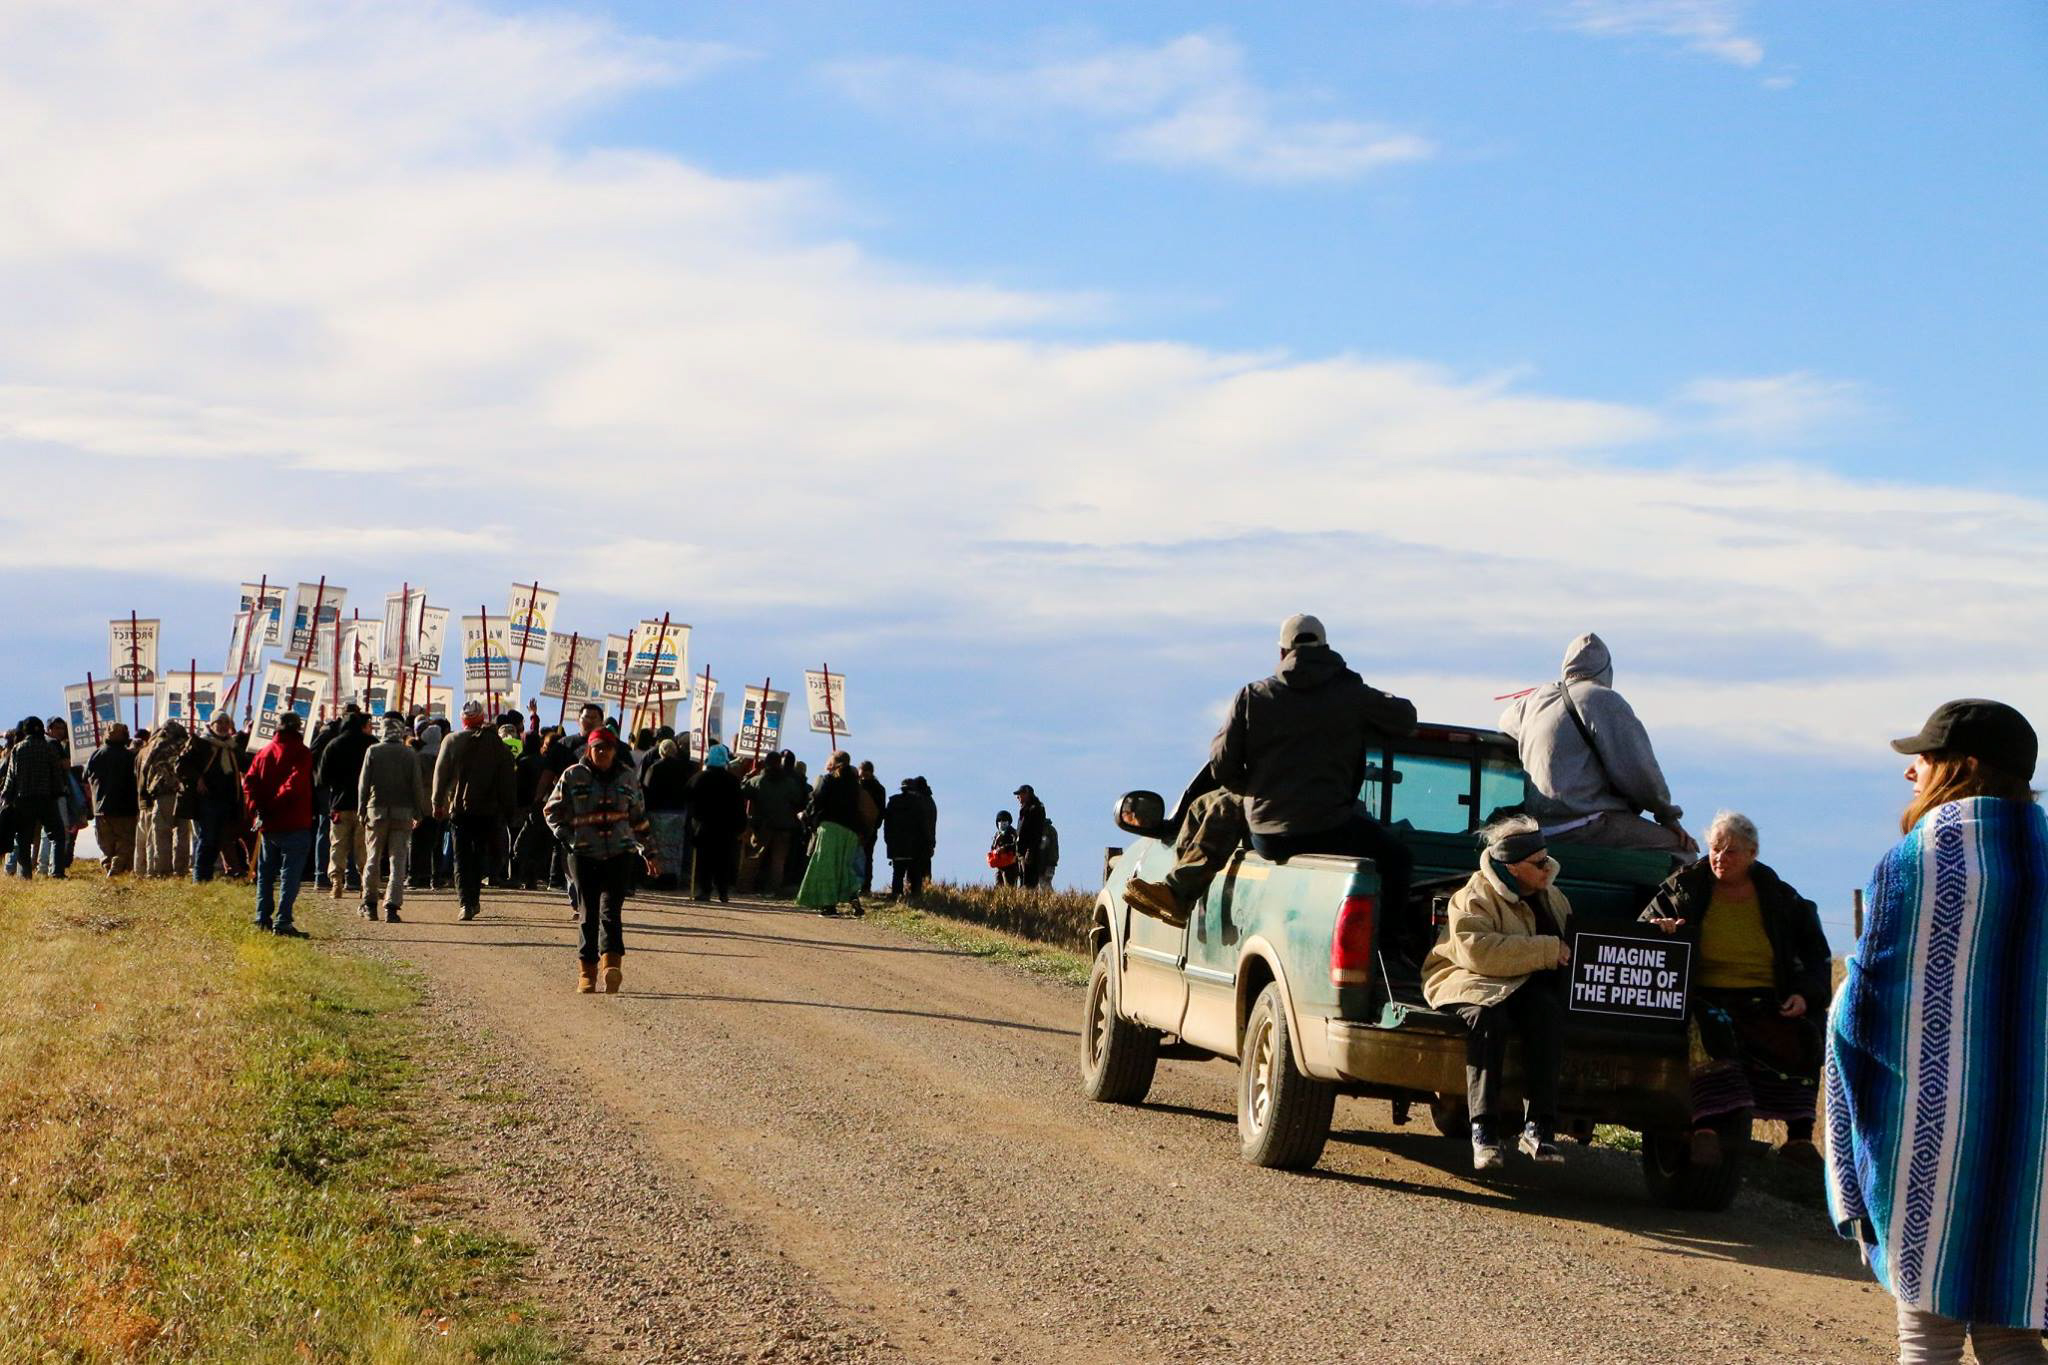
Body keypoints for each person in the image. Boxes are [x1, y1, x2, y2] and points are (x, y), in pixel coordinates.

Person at [1826, 700, 2048, 1364]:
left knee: (1927, 1335)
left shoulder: (1914, 864)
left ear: (1966, 766)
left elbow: (1861, 1015)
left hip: (1931, 1144)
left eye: (1922, 757)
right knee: (2015, 1330)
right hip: (2036, 1149)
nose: (1911, 773)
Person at [1142, 614, 1422, 951]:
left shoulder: (1253, 695)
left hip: (1268, 838)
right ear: (1326, 647)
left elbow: (1221, 765)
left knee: (1215, 805)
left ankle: (1178, 895)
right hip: (1329, 830)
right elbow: (1406, 719)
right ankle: (1388, 945)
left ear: (1281, 653)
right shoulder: (1352, 694)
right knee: (1398, 858)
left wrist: (1255, 792)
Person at [1642, 811, 1831, 1168]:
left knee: (1806, 1031)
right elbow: (1642, 928)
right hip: (1704, 995)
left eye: (1730, 851)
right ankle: (1708, 1130)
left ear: (1752, 853)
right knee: (1709, 1028)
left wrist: (1804, 995)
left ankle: (1799, 1137)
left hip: (1765, 998)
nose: (1719, 858)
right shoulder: (1685, 888)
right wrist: (1660, 927)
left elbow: (1816, 956)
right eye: (1715, 849)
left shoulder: (1782, 899)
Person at [1421, 814, 1571, 1172]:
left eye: (1547, 858)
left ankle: (1539, 1127)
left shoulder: (1553, 896)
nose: (1548, 867)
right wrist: (1548, 951)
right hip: (1468, 979)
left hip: (1524, 984)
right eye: (1539, 863)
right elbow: (1478, 951)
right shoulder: (1473, 897)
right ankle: (1483, 1132)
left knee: (1548, 1014)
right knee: (1488, 1019)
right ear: (1514, 867)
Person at [1500, 633, 1694, 854]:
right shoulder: (1603, 699)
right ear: (1607, 671)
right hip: (1588, 824)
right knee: (1681, 851)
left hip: (1540, 830)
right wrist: (1668, 816)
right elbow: (1640, 772)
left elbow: (1505, 720)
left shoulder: (1535, 700)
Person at [544, 728, 657, 994]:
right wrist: (568, 837)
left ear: (615, 751)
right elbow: (551, 810)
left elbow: (638, 818)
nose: (602, 753)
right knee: (588, 913)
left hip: (620, 854)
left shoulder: (628, 778)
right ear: (589, 750)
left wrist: (648, 851)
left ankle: (611, 966)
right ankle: (587, 972)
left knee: (611, 912)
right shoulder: (573, 776)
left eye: (607, 748)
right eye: (598, 748)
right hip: (583, 854)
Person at [433, 700, 517, 921]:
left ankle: (465, 903)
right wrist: (509, 808)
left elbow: (440, 775)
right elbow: (507, 779)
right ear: (482, 718)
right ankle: (474, 899)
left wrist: (437, 802)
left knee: (460, 857)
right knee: (478, 855)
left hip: (459, 809)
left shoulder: (451, 740)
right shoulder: (497, 744)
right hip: (488, 810)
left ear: (463, 720)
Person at [242, 712, 315, 936]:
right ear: (298, 728)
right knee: (289, 875)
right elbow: (295, 784)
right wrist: (272, 805)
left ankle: (262, 917)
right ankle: (282, 921)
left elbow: (250, 782)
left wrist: (257, 808)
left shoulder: (263, 753)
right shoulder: (301, 752)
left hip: (269, 824)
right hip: (294, 820)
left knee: (265, 873)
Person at [355, 712, 428, 921]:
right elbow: (416, 786)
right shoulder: (410, 754)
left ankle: (369, 905)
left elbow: (364, 784)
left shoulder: (373, 751)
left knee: (373, 858)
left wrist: (361, 809)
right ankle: (392, 907)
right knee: (398, 860)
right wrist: (418, 811)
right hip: (402, 813)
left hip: (376, 811)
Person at [314, 710, 374, 900]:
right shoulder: (370, 743)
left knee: (338, 845)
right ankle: (365, 884)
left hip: (339, 804)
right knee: (363, 846)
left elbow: (322, 779)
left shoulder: (333, 745)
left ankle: (336, 882)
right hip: (365, 805)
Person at [797, 751, 866, 917]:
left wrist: (805, 815)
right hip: (851, 831)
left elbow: (817, 799)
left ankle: (828, 906)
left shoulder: (828, 779)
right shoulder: (855, 783)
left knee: (826, 866)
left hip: (831, 828)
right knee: (844, 866)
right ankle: (853, 898)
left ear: (834, 763)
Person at [2, 716, 70, 879]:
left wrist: (6, 797)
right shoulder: (49, 748)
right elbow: (55, 774)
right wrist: (59, 792)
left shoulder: (18, 749)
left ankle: (25, 874)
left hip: (23, 800)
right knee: (57, 835)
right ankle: (57, 872)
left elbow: (11, 777)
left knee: (23, 839)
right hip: (46, 798)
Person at [180, 712, 244, 882]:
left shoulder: (232, 746)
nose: (223, 725)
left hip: (228, 800)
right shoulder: (200, 743)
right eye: (219, 722)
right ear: (212, 724)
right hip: (207, 799)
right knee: (207, 838)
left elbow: (246, 764)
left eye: (226, 722)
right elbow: (181, 765)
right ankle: (199, 878)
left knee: (219, 839)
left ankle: (207, 877)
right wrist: (197, 778)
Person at [687, 744, 745, 903]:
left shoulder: (698, 778)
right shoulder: (732, 781)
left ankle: (705, 890)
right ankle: (723, 891)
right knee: (723, 860)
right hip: (726, 828)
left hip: (703, 826)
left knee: (704, 860)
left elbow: (687, 799)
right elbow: (740, 806)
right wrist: (741, 826)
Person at [742, 753, 805, 896]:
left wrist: (748, 776)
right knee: (778, 861)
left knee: (754, 857)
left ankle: (745, 886)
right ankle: (773, 890)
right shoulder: (789, 783)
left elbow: (743, 792)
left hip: (762, 824)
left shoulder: (757, 780)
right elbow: (798, 798)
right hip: (784, 825)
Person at [135, 719, 191, 878]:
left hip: (163, 792)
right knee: (182, 833)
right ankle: (181, 869)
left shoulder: (157, 744)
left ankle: (163, 870)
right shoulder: (186, 744)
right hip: (183, 792)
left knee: (161, 833)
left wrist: (147, 789)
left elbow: (146, 767)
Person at [640, 736, 697, 891]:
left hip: (657, 811)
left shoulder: (654, 768)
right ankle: (672, 879)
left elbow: (646, 790)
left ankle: (657, 878)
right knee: (675, 847)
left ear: (660, 751)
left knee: (657, 846)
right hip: (678, 812)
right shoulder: (684, 769)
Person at [84, 722, 141, 876]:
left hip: (101, 808)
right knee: (126, 841)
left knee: (105, 844)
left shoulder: (96, 754)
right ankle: (118, 862)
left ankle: (109, 865)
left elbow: (85, 777)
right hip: (125, 807)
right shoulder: (131, 756)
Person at [883, 777, 937, 901]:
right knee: (915, 875)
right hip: (914, 847)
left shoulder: (893, 802)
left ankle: (896, 897)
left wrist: (888, 841)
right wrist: (930, 843)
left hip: (896, 846)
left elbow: (887, 826)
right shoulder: (919, 804)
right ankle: (915, 899)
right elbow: (923, 826)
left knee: (897, 873)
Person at [856, 760, 888, 895]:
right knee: (867, 857)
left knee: (862, 856)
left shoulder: (858, 787)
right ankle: (864, 886)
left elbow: (880, 810)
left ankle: (861, 886)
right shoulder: (879, 788)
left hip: (862, 827)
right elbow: (881, 811)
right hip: (870, 828)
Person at [1013, 785, 1048, 888]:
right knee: (1023, 879)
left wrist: (1030, 850)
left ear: (1027, 794)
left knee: (1029, 882)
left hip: (1029, 851)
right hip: (1022, 851)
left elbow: (1036, 833)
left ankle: (1029, 900)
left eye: (1020, 794)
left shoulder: (1035, 809)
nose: (1018, 797)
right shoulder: (1025, 809)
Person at [989, 810, 1020, 886]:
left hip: (1010, 866)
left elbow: (1016, 845)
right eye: (999, 820)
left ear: (1009, 821)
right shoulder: (997, 834)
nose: (1001, 822)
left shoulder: (1013, 833)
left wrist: (1004, 848)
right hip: (999, 865)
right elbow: (993, 846)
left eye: (1004, 820)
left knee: (1009, 886)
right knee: (998, 885)